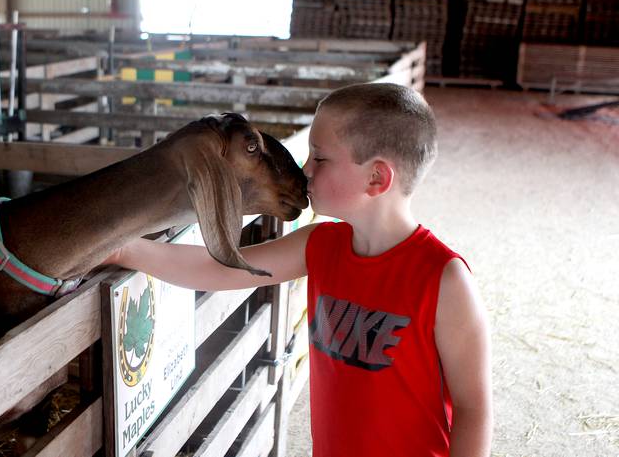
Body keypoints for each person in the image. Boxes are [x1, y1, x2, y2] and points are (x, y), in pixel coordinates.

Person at [106, 82, 492, 457]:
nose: (305, 169)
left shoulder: (444, 279)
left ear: (376, 178)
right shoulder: (321, 245)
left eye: (319, 158)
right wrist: (124, 249)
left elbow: (472, 407)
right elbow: (220, 270)